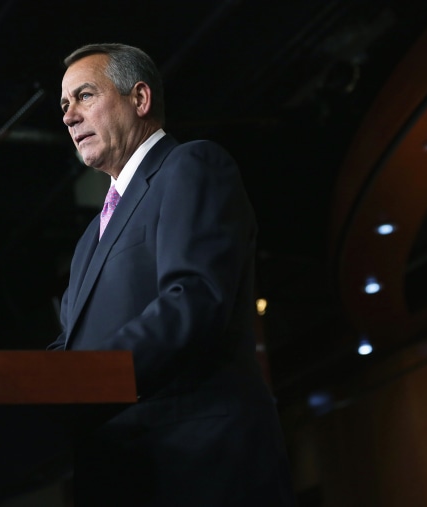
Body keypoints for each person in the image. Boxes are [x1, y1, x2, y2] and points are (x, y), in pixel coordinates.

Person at [48, 43, 297, 506]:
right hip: (120, 472)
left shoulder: (192, 166)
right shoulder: (87, 242)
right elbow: (73, 345)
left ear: (139, 99)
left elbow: (193, 299)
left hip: (197, 465)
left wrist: (89, 379)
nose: (68, 116)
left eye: (84, 96)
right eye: (64, 105)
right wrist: (22, 384)